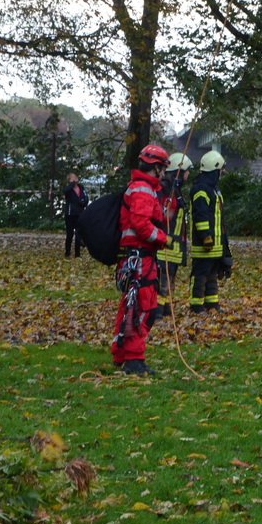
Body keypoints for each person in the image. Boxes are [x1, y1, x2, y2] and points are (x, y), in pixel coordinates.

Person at [111, 144, 171, 374]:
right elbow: (141, 225)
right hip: (139, 259)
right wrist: (164, 239)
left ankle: (121, 353)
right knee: (142, 306)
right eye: (163, 169)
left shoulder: (141, 188)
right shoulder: (143, 190)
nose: (164, 174)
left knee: (129, 306)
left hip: (133, 258)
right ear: (155, 168)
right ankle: (134, 359)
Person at [190, 151, 232, 310]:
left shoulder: (213, 189)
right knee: (200, 276)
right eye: (220, 171)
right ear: (215, 170)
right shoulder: (201, 190)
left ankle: (212, 304)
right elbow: (201, 215)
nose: (221, 174)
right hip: (204, 245)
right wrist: (205, 236)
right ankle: (196, 306)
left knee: (212, 276)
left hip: (216, 245)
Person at [156, 153, 193, 318]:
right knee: (163, 283)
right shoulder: (166, 191)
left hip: (174, 247)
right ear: (179, 170)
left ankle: (166, 312)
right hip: (165, 246)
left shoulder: (175, 191)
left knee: (170, 282)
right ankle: (157, 314)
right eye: (186, 170)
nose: (188, 174)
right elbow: (162, 216)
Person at [62, 172, 89, 258]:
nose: (74, 178)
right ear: (69, 180)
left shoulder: (81, 187)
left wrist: (84, 202)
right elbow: (65, 191)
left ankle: (77, 254)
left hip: (80, 213)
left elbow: (85, 197)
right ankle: (67, 252)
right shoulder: (68, 189)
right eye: (72, 177)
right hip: (70, 214)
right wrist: (72, 183)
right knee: (70, 234)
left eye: (75, 177)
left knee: (79, 234)